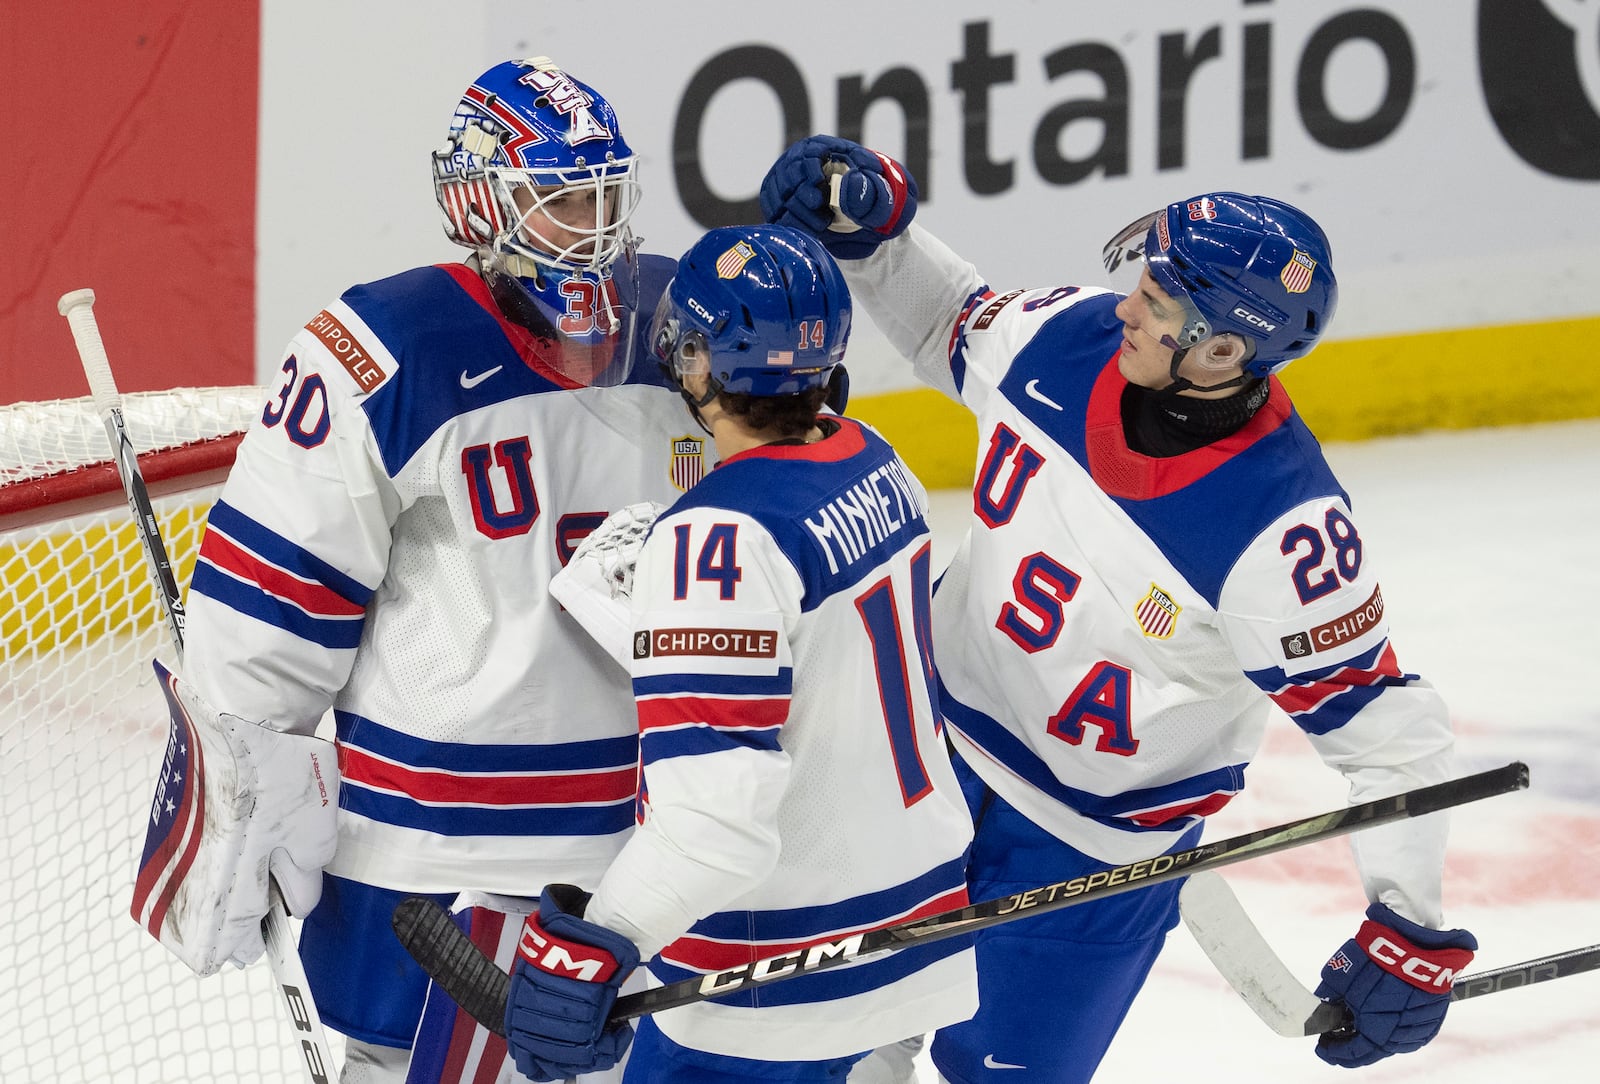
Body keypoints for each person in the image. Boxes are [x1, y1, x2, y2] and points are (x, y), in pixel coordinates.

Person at [759, 136, 1478, 1083]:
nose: (1130, 304)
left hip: (1086, 857)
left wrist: (1407, 927)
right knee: (834, 1045)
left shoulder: (1284, 534)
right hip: (913, 765)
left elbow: (1389, 738)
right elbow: (951, 322)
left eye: (1161, 302)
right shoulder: (1067, 337)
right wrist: (879, 237)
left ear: (1222, 348)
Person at [130, 57, 709, 1084]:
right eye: (563, 198)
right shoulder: (382, 349)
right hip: (435, 861)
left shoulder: (677, 326)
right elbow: (276, 589)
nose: (595, 225)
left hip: (633, 855)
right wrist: (238, 779)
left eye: (607, 194)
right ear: (480, 202)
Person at [503, 223, 979, 1083]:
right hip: (910, 925)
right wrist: (658, 621)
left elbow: (716, 822)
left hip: (776, 973)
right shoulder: (878, 457)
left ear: (694, 361)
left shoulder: (717, 542)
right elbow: (821, 660)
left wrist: (599, 939)